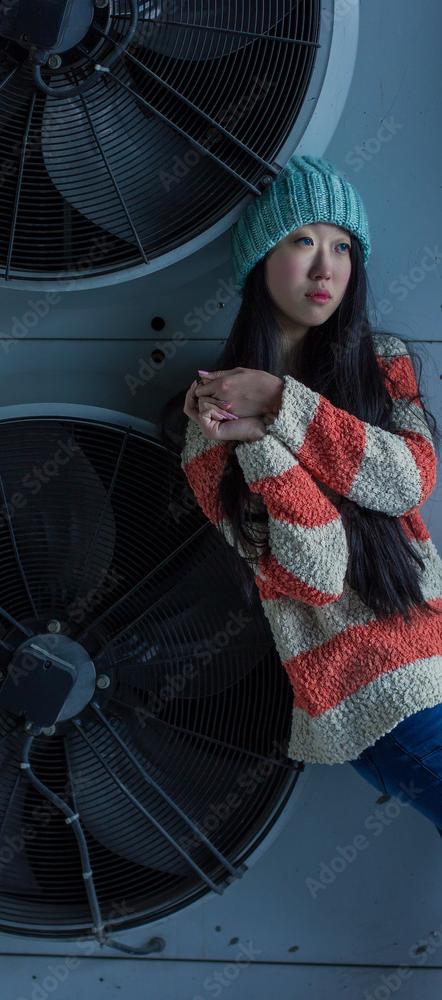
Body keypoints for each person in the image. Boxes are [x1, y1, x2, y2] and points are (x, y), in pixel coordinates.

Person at [158, 154, 442, 836]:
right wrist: (255, 438)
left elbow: (405, 480)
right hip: (374, 695)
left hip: (432, 659)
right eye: (302, 241)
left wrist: (282, 402)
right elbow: (314, 574)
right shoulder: (207, 434)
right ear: (259, 260)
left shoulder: (382, 363)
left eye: (342, 246)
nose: (326, 268)